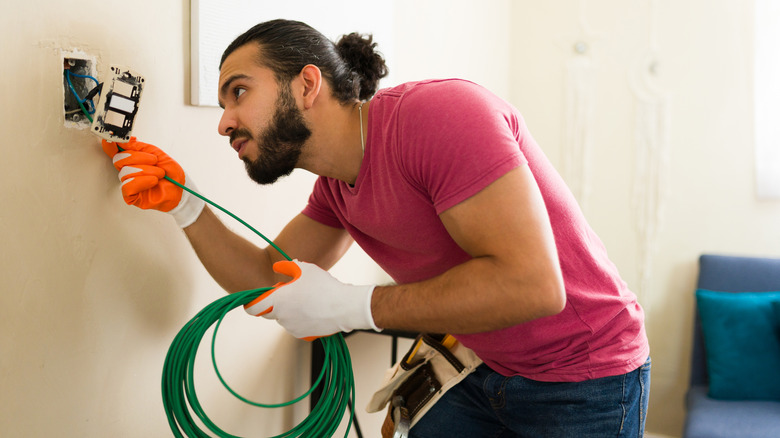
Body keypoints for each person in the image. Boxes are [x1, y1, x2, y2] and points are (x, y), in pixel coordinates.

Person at [102, 19, 650, 438]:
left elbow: (533, 286)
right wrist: (185, 206)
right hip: (486, 365)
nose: (223, 121)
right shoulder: (338, 187)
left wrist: (353, 306)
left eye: (238, 92)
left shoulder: (439, 117)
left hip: (585, 377)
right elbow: (263, 279)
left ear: (307, 84)